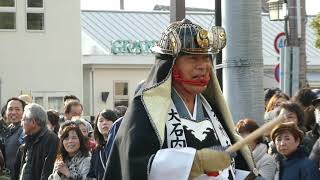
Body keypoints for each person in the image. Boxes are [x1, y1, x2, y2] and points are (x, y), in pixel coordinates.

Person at [104, 19, 254, 180]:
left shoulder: (212, 110)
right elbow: (134, 164)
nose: (203, 65)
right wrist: (194, 162)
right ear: (171, 65)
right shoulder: (146, 110)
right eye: (192, 58)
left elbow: (231, 168)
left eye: (206, 58)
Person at [12, 103, 59, 180]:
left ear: (33, 122)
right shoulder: (25, 143)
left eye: (23, 120)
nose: (21, 123)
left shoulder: (51, 140)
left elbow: (48, 170)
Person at [88, 109, 118, 179]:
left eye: (108, 120)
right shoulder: (96, 150)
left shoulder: (120, 146)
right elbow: (91, 175)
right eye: (101, 121)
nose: (104, 123)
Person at [3, 97, 26, 176]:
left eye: (17, 109)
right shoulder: (7, 129)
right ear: (6, 112)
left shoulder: (25, 130)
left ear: (24, 112)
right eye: (10, 109)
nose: (13, 112)